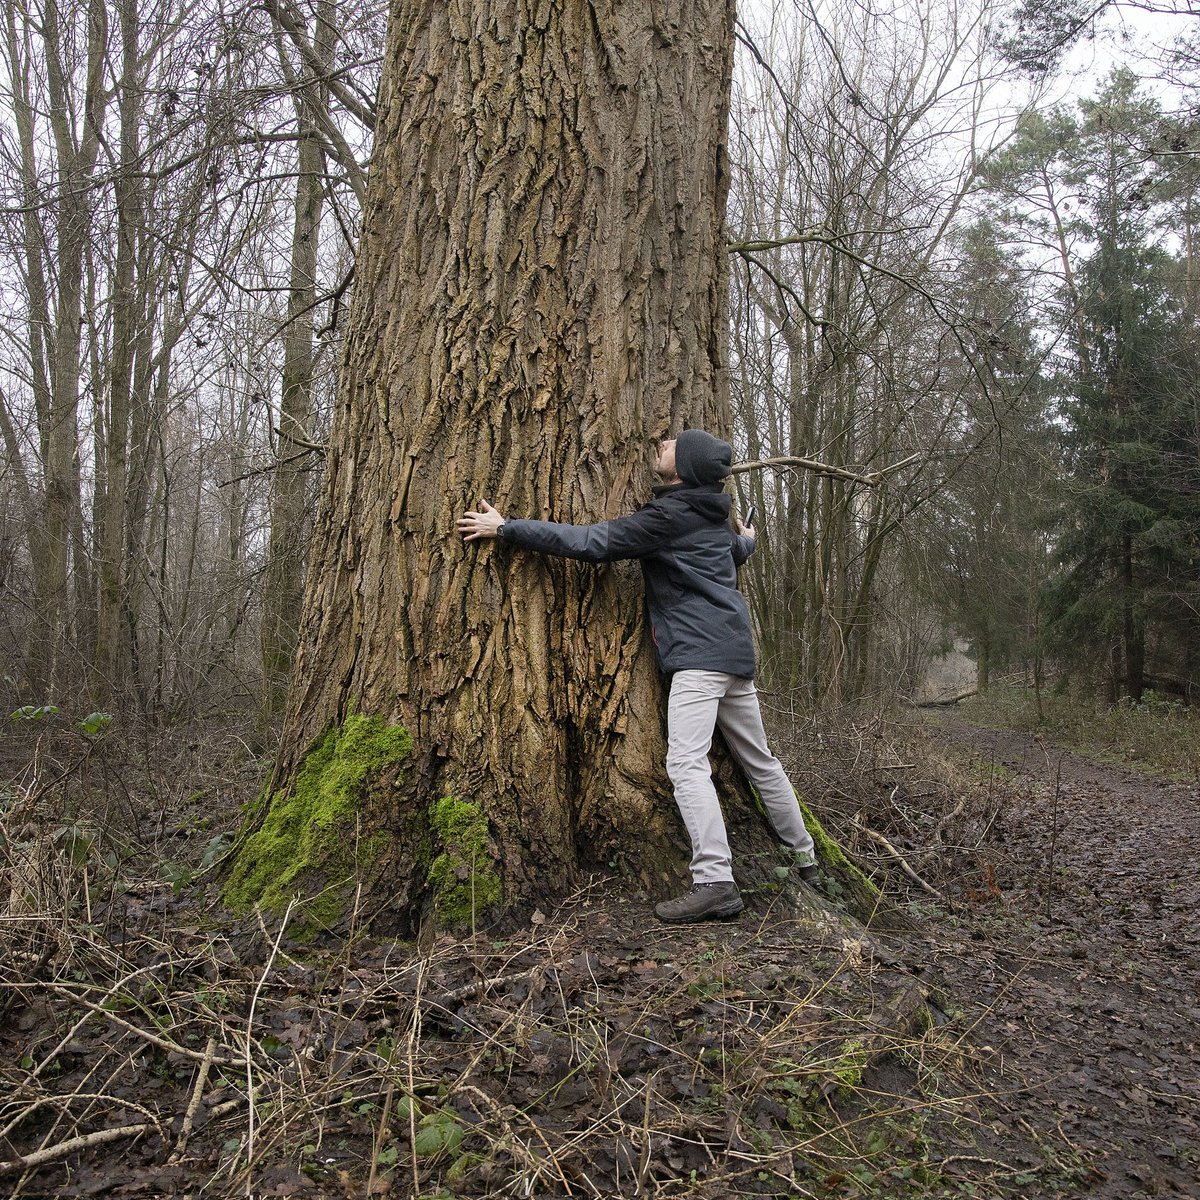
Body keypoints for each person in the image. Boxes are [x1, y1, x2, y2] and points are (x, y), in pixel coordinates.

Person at [457, 429, 819, 923]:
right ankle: (805, 858)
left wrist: (508, 528)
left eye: (674, 445)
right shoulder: (713, 518)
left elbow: (593, 541)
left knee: (687, 766)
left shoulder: (670, 517)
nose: (664, 442)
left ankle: (715, 881)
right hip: (735, 657)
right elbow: (734, 553)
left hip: (698, 658)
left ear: (685, 470)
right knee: (761, 763)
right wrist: (750, 540)